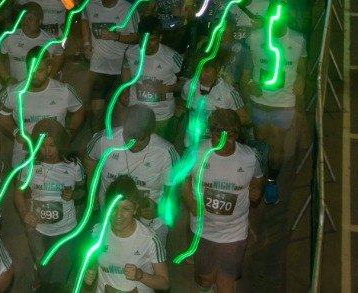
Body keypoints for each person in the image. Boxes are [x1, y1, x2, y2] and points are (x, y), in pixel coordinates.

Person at [183, 108, 265, 293]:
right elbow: (183, 179)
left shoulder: (249, 157)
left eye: (229, 136)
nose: (222, 141)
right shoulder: (195, 152)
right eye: (217, 134)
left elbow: (258, 178)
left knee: (226, 284)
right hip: (202, 230)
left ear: (237, 135)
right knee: (205, 279)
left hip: (233, 233)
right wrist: (191, 201)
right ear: (210, 132)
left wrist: (257, 189)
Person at [241, 6, 305, 207]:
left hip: (284, 104)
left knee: (277, 146)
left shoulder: (298, 40)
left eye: (280, 18)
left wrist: (302, 80)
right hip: (259, 102)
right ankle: (255, 179)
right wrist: (249, 86)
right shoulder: (254, 38)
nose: (276, 22)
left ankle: (271, 181)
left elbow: (302, 69)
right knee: (260, 143)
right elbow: (246, 69)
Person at [13, 119, 84, 292]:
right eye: (43, 146)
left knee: (58, 276)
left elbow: (83, 191)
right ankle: (40, 275)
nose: (47, 151)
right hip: (37, 229)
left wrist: (74, 194)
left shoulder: (73, 165)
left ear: (61, 143)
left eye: (52, 145)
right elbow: (18, 193)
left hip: (65, 228)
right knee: (42, 264)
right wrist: (24, 214)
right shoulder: (29, 164)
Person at [85, 106, 177, 239]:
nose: (133, 144)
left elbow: (174, 190)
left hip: (150, 226)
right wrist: (92, 189)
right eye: (129, 138)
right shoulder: (104, 140)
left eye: (140, 140)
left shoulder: (165, 152)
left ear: (151, 132)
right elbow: (89, 158)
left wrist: (159, 209)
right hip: (111, 219)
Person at [0, 48, 85, 165]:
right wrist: (15, 131)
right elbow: (1, 114)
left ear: (49, 69)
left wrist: (70, 131)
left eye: (39, 70)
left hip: (55, 150)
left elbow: (79, 110)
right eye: (31, 70)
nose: (34, 75)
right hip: (25, 149)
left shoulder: (64, 91)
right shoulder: (13, 92)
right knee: (20, 177)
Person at [85, 177, 168, 293]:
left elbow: (164, 283)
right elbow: (93, 262)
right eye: (114, 207)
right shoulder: (97, 232)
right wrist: (90, 273)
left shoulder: (150, 239)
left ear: (135, 209)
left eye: (126, 208)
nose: (118, 215)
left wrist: (140, 275)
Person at [82, 0, 138, 124]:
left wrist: (116, 36)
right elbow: (84, 21)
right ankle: (96, 135)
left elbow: (136, 38)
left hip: (121, 69)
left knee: (119, 112)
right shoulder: (90, 4)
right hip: (98, 67)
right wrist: (86, 44)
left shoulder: (128, 9)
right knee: (96, 112)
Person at [121, 18, 184, 137]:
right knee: (135, 142)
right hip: (136, 110)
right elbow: (126, 68)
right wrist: (125, 90)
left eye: (152, 40)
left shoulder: (172, 57)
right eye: (143, 39)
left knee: (160, 145)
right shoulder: (130, 52)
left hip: (161, 114)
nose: (147, 44)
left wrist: (166, 89)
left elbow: (185, 83)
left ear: (160, 38)